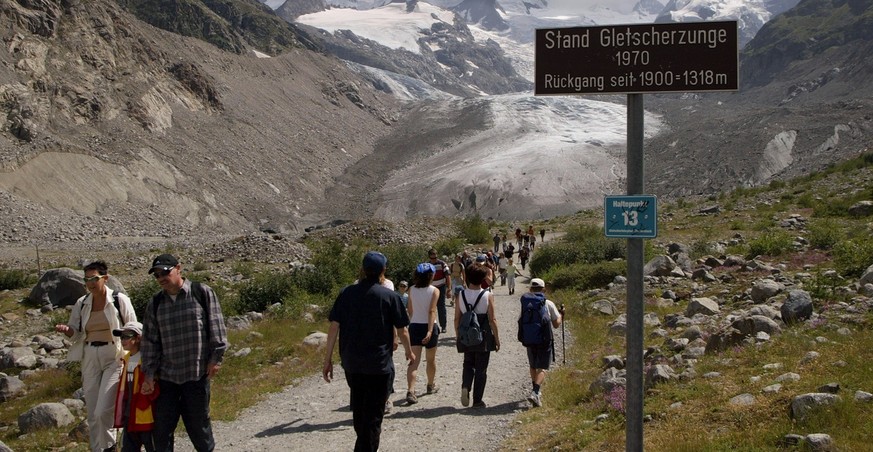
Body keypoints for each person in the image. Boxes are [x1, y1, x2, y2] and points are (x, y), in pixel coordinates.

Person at [323, 251, 415, 452]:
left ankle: (364, 444)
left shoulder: (346, 293)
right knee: (373, 417)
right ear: (383, 270)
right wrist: (409, 352)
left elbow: (333, 328)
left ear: (363, 270)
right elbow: (403, 330)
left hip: (352, 363)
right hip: (379, 364)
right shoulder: (390, 296)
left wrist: (327, 359)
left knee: (360, 411)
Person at [140, 254, 228, 452]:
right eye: (157, 275)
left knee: (199, 428)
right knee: (162, 432)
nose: (161, 277)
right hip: (167, 379)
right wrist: (149, 375)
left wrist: (216, 359)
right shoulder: (154, 304)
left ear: (178, 268)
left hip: (196, 375)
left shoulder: (201, 292)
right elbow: (150, 342)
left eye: (165, 272)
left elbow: (217, 328)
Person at [56, 260, 137, 452]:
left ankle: (109, 447)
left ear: (105, 278)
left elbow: (133, 328)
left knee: (103, 410)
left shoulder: (119, 299)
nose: (91, 283)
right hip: (90, 354)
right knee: (92, 412)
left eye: (94, 278)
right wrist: (67, 330)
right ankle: (97, 448)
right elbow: (76, 332)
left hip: (114, 354)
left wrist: (132, 355)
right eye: (87, 280)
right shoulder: (82, 303)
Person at [455, 264, 499, 408]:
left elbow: (457, 318)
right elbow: (492, 319)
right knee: (481, 368)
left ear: (467, 277)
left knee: (468, 363)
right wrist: (496, 339)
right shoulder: (488, 295)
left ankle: (466, 385)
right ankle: (477, 400)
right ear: (483, 279)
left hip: (466, 332)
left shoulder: (461, 295)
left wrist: (458, 335)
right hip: (483, 333)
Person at [112, 321, 157, 452]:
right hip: (129, 414)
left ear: (138, 338)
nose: (123, 340)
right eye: (121, 337)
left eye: (127, 336)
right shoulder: (125, 359)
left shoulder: (148, 360)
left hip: (146, 416)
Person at [523, 279, 563, 408]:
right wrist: (561, 314)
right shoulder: (548, 303)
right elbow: (556, 324)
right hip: (545, 339)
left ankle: (535, 392)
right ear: (543, 289)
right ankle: (535, 392)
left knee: (533, 365)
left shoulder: (526, 304)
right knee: (543, 367)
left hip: (529, 338)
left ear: (530, 289)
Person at [405, 263, 440, 404]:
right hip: (429, 326)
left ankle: (411, 390)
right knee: (430, 359)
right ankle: (430, 385)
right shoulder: (434, 291)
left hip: (415, 326)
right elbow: (432, 311)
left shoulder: (411, 290)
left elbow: (410, 310)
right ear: (431, 276)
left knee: (414, 361)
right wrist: (430, 330)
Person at [427, 249, 452, 333]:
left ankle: (443, 325)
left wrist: (449, 289)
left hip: (441, 288)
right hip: (431, 289)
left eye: (436, 257)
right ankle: (431, 325)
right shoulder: (427, 265)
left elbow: (448, 276)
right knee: (430, 307)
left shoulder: (442, 264)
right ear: (429, 257)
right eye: (432, 258)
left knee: (441, 307)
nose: (434, 259)